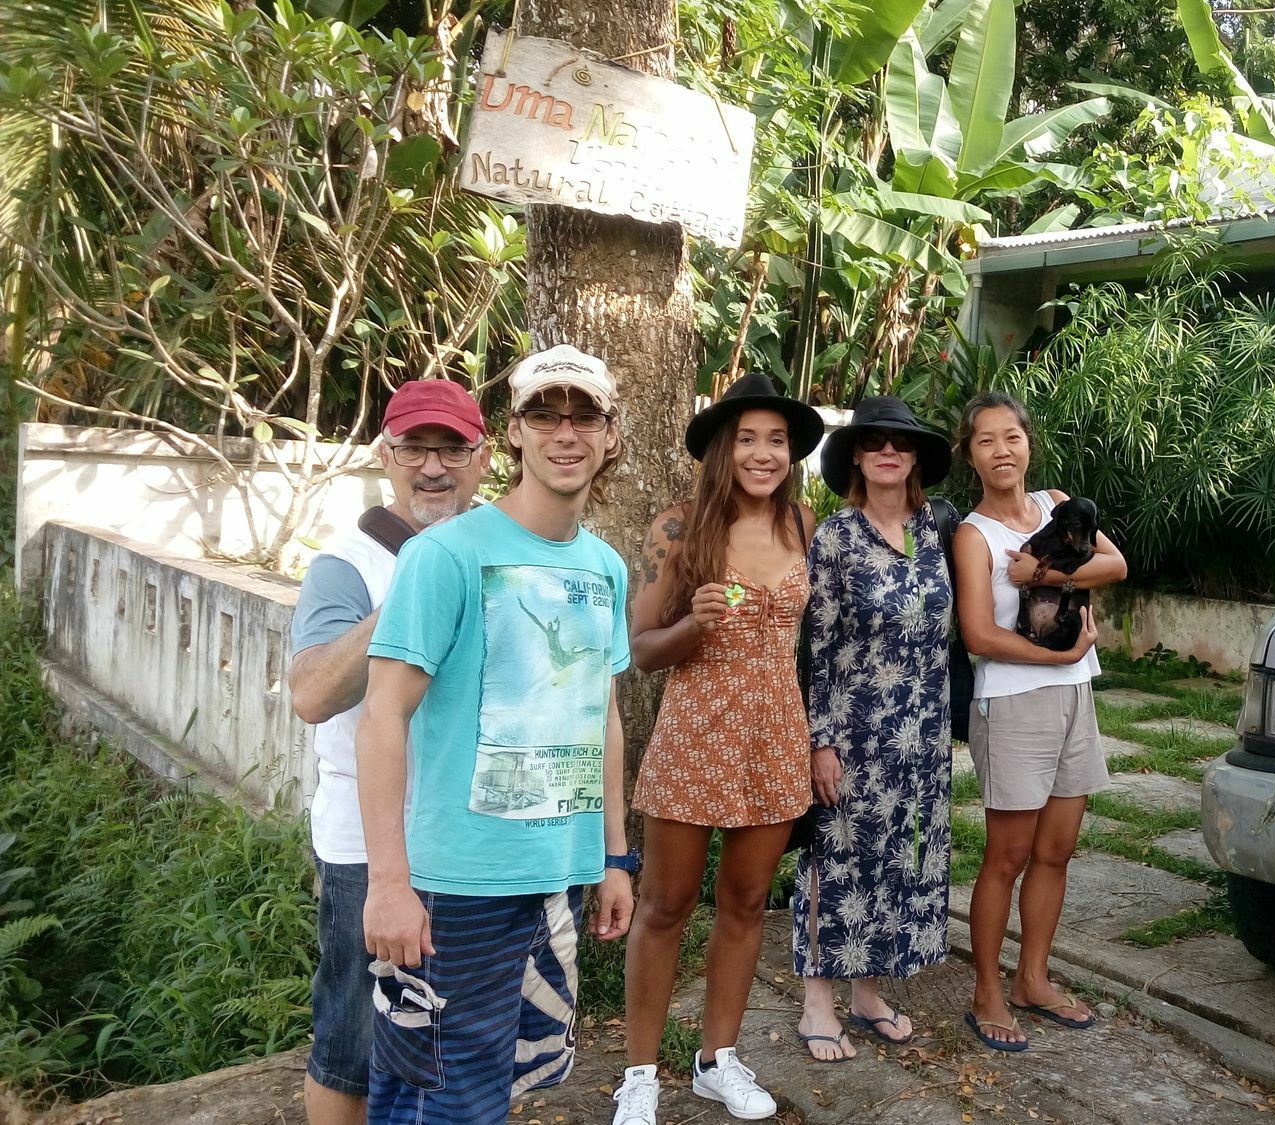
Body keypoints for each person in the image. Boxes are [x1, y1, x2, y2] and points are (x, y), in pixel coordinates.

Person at [354, 344, 637, 1125]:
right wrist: (388, 881)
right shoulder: (446, 555)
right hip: (457, 884)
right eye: (546, 413)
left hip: (555, 876)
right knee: (436, 1095)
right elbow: (382, 715)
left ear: (613, 435)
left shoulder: (606, 567)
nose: (566, 433)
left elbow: (601, 713)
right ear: (514, 432)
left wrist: (613, 855)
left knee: (496, 1085)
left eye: (586, 416)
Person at [613, 372, 824, 1124]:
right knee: (665, 905)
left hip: (774, 733)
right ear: (721, 450)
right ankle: (640, 1073)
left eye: (776, 439)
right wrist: (692, 625)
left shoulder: (802, 521)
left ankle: (718, 1059)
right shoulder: (679, 528)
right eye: (747, 439)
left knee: (743, 904)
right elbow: (640, 650)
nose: (763, 453)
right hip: (695, 733)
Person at [289, 379, 488, 1125]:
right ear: (386, 454)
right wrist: (413, 587)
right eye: (415, 448)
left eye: (451, 449)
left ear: (482, 456)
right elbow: (311, 694)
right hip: (368, 854)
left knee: (446, 1039)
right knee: (353, 1040)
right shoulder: (348, 565)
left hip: (466, 845)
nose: (433, 467)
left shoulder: (490, 552)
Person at [952, 392, 1126, 1051]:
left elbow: (1117, 563)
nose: (1001, 449)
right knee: (1008, 855)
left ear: (1028, 444)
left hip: (1076, 696)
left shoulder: (1058, 504)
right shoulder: (974, 535)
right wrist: (1067, 651)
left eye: (1011, 437)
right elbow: (978, 634)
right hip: (1015, 700)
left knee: (1057, 850)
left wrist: (1045, 569)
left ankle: (1033, 977)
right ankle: (987, 990)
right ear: (970, 455)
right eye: (986, 440)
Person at [790, 396, 956, 1063]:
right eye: (875, 441)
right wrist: (819, 741)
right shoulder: (835, 536)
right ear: (857, 454)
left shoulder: (938, 529)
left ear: (915, 457)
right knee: (834, 859)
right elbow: (818, 645)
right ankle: (816, 1001)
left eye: (902, 442)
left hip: (922, 733)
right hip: (854, 730)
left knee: (897, 860)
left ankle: (866, 991)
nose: (889, 450)